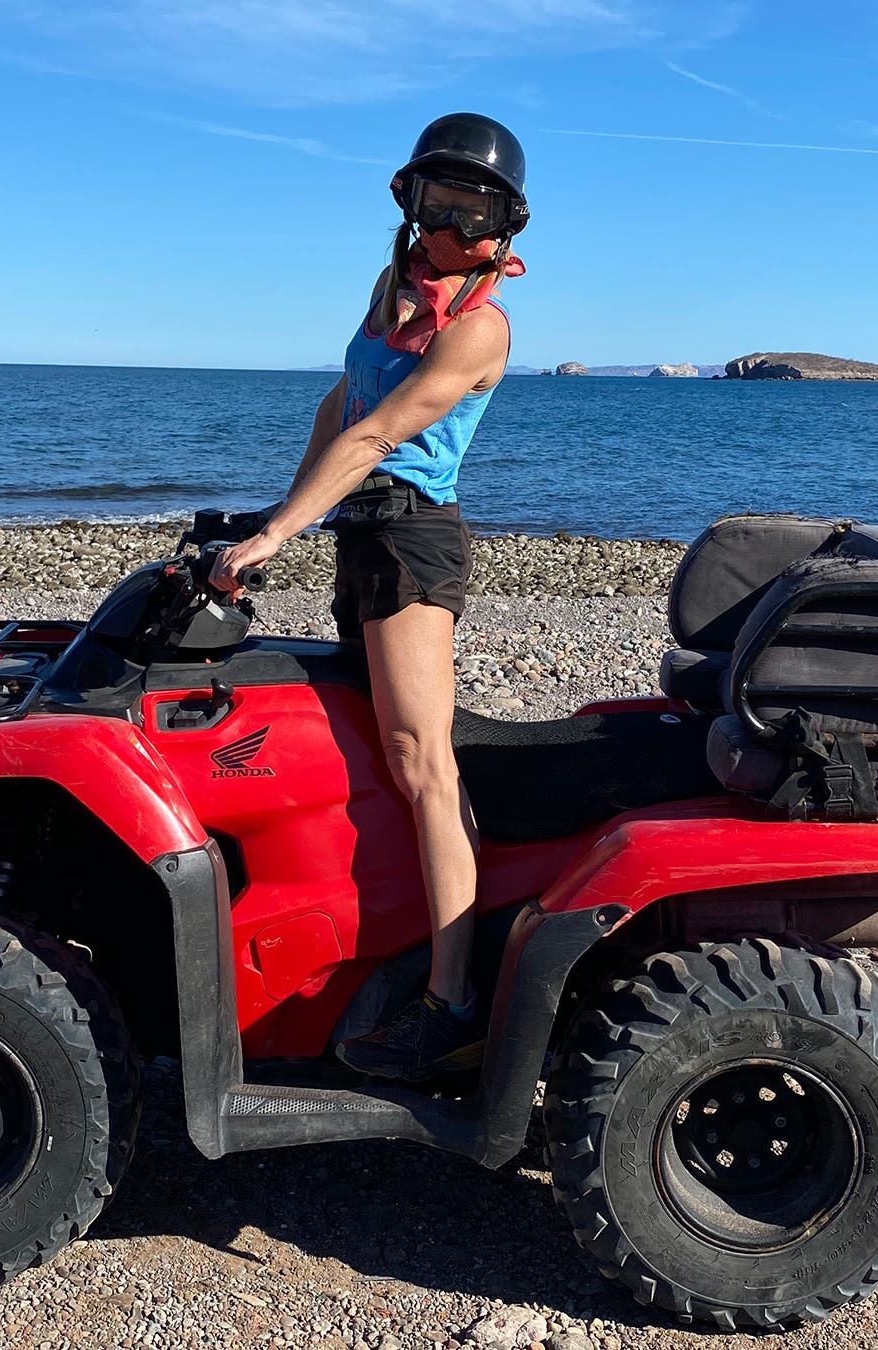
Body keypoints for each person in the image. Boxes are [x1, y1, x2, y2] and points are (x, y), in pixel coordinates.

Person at [209, 112, 529, 1082]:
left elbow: (378, 436)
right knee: (365, 735)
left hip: (414, 540)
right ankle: (378, 933)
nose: (453, 230)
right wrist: (277, 509)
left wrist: (277, 533)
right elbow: (337, 407)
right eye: (441, 204)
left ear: (504, 230)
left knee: (421, 759)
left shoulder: (481, 328)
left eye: (475, 215)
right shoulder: (396, 289)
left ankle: (454, 1001)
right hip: (361, 532)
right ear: (411, 200)